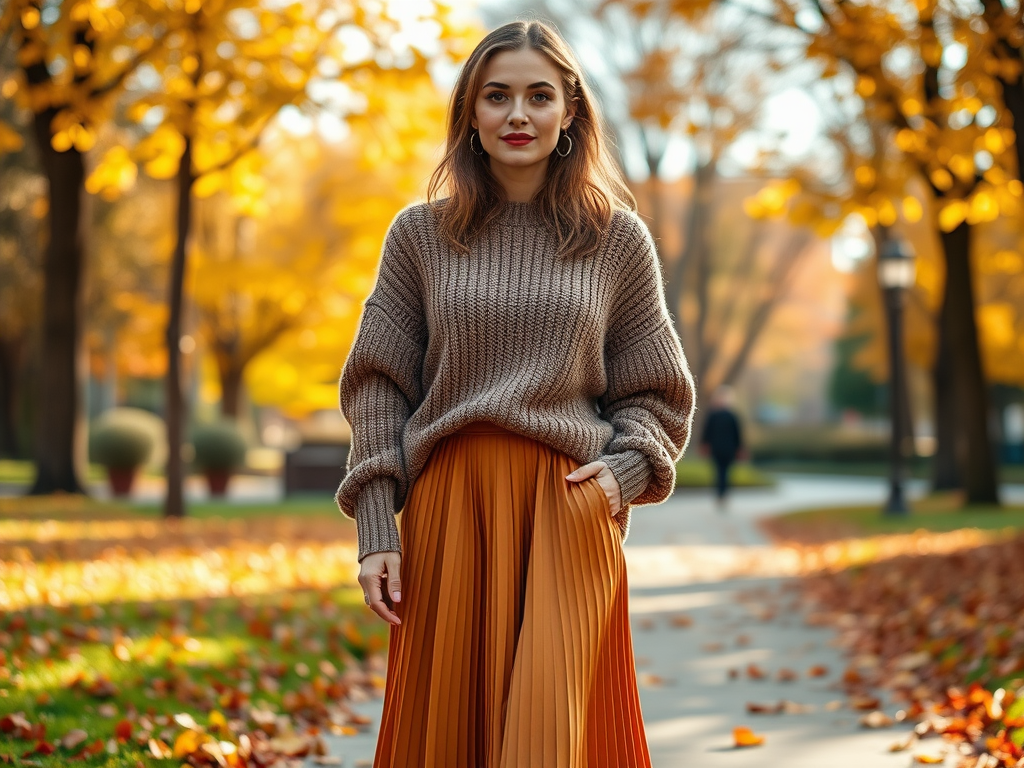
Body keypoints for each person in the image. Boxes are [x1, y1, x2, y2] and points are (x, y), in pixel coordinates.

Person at [334, 19, 696, 768]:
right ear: (470, 111)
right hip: (448, 510)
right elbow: (378, 386)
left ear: (570, 111)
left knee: (549, 733)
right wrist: (377, 528)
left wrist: (622, 476)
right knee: (448, 736)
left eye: (539, 96)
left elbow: (656, 393)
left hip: (567, 507)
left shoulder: (616, 240)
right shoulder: (419, 236)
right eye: (497, 96)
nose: (518, 115)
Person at [699, 385, 745, 509]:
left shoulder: (728, 416)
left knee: (722, 472)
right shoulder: (717, 415)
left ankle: (721, 493)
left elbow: (737, 434)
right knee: (722, 472)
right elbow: (707, 432)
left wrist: (740, 448)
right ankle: (722, 494)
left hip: (725, 449)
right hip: (721, 449)